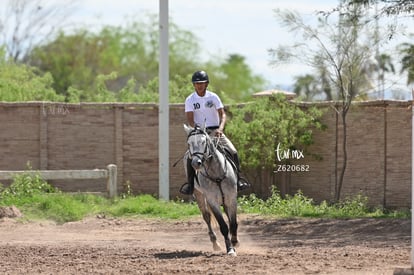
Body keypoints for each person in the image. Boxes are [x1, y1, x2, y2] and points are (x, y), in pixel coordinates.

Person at [179, 70, 250, 195]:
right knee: (189, 157)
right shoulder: (190, 99)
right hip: (200, 133)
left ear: (206, 84)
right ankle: (190, 185)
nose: (199, 85)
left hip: (215, 131)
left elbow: (223, 115)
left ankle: (238, 180)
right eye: (196, 83)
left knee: (233, 151)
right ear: (193, 85)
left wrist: (220, 129)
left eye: (202, 83)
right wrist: (198, 130)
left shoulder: (213, 97)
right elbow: (190, 120)